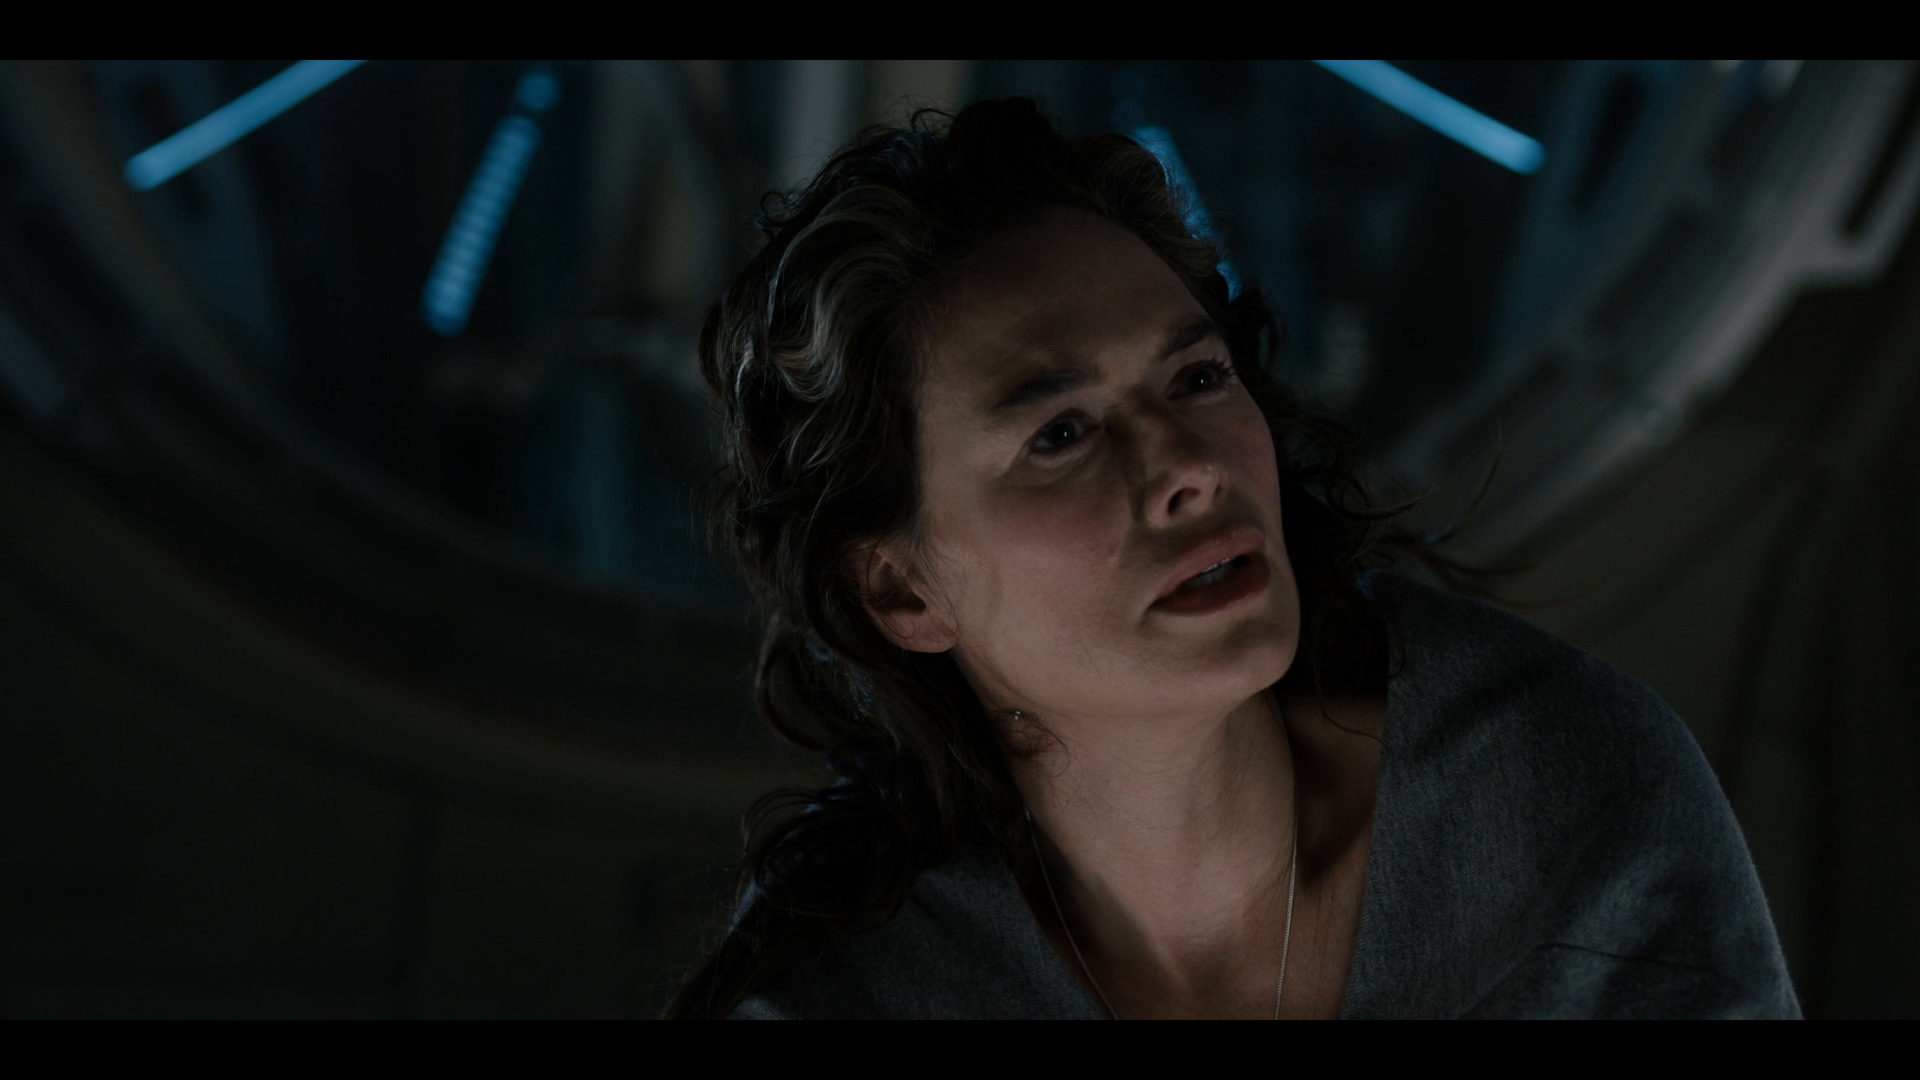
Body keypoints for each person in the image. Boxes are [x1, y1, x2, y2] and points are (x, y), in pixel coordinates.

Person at [667, 99, 1798, 1019]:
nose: (1189, 467)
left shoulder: (1557, 796)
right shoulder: (845, 994)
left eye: (1198, 379)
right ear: (901, 589)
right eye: (1059, 435)